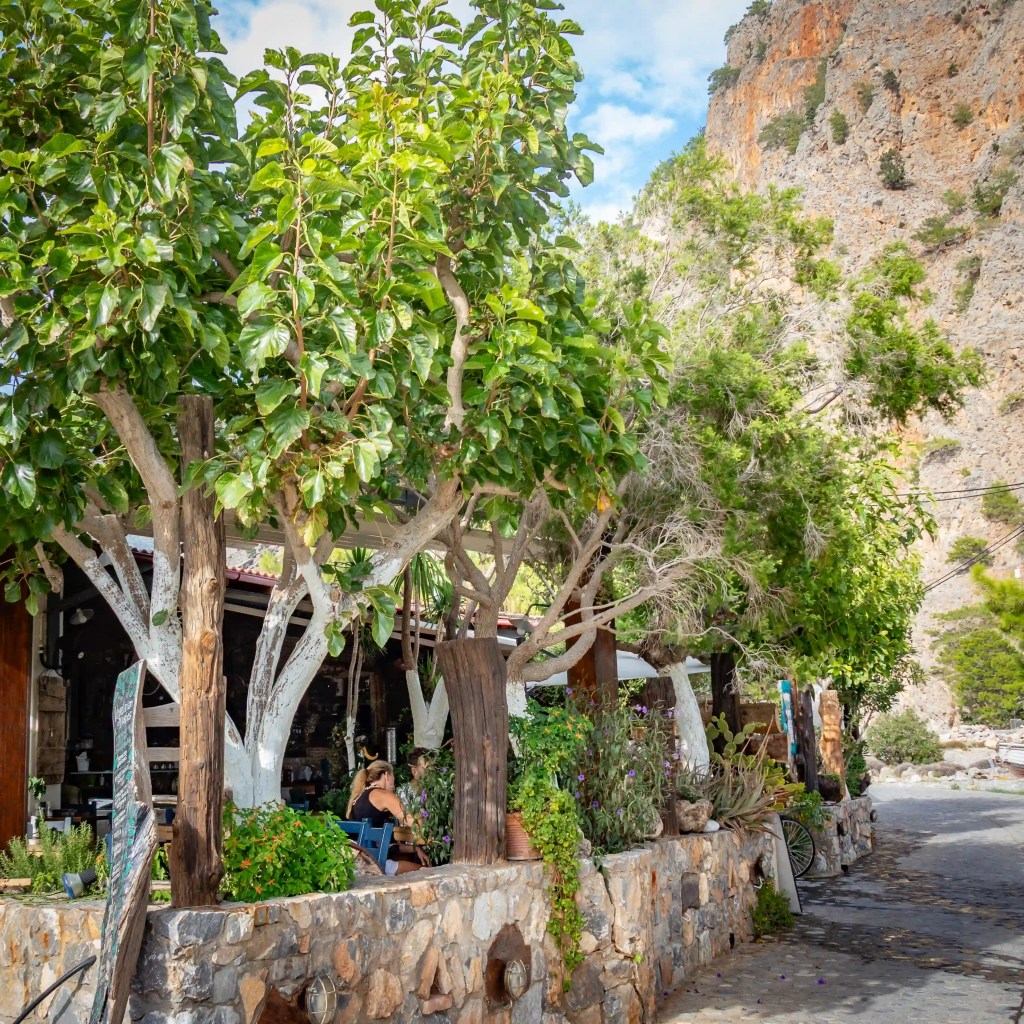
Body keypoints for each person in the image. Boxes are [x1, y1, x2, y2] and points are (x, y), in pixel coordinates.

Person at [346, 760, 426, 874]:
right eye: (393, 777)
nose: (394, 783)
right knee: (425, 870)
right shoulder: (383, 795)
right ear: (387, 775)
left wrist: (416, 848)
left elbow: (390, 846)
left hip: (356, 860)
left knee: (407, 859)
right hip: (371, 864)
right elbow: (415, 823)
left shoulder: (358, 797)